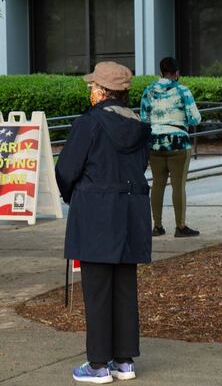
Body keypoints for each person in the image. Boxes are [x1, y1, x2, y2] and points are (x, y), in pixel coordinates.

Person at [56, 61, 151, 383]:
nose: (90, 91)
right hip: (131, 213)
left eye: (92, 86)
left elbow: (66, 170)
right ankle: (124, 361)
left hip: (97, 211)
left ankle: (98, 364)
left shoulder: (89, 123)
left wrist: (75, 195)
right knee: (124, 288)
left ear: (101, 91)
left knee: (97, 291)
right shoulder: (137, 123)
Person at [141, 57, 202, 237]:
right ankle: (180, 226)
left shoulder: (148, 91)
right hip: (178, 143)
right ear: (177, 73)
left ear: (160, 72)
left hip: (155, 143)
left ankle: (157, 226)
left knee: (157, 184)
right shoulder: (182, 90)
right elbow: (195, 118)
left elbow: (144, 119)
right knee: (178, 186)